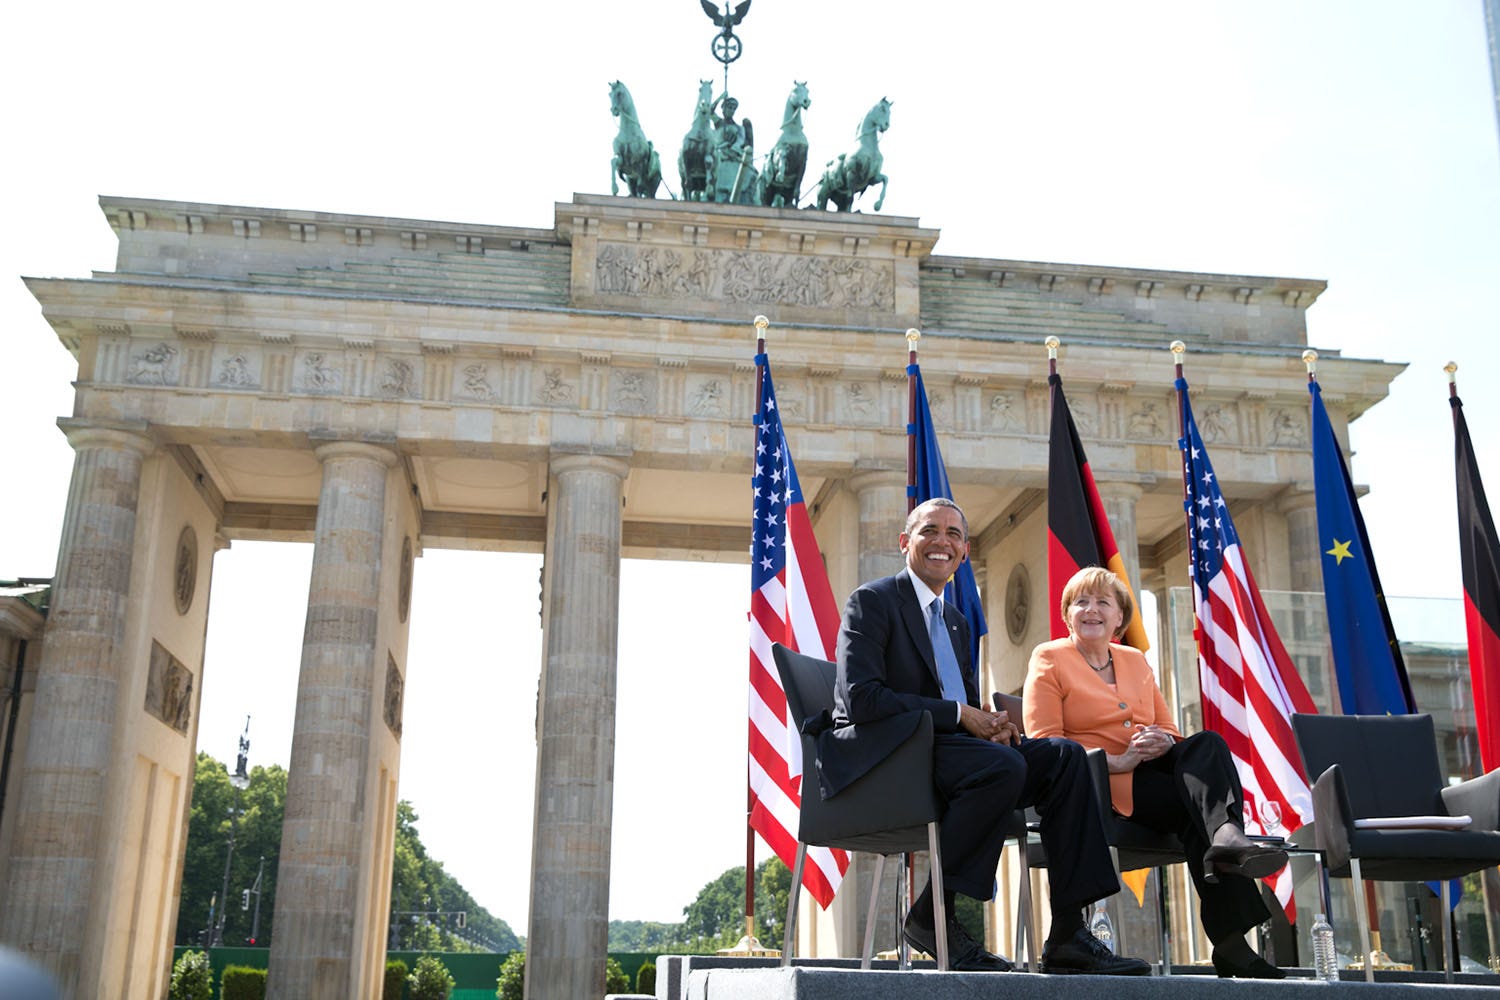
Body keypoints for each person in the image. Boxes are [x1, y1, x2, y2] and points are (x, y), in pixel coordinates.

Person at [830, 498, 1149, 975]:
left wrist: (993, 726)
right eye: (930, 531)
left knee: (1066, 758)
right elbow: (862, 699)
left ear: (964, 551)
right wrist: (962, 716)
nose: (943, 542)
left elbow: (964, 709)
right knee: (1001, 766)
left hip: (956, 758)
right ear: (905, 543)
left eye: (954, 535)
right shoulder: (872, 602)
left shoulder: (958, 623)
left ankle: (1068, 932)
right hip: (890, 757)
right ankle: (932, 915)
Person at [1022, 566, 1290, 979]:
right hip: (1094, 784)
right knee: (1197, 814)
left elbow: (1169, 729)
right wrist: (1118, 762)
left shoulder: (1134, 660)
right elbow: (1047, 746)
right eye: (1081, 601)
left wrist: (1163, 742)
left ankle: (1226, 836)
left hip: (1150, 774)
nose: (1091, 610)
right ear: (1066, 613)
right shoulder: (1050, 657)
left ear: (1119, 619)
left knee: (1208, 745)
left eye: (1102, 603)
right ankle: (1232, 939)